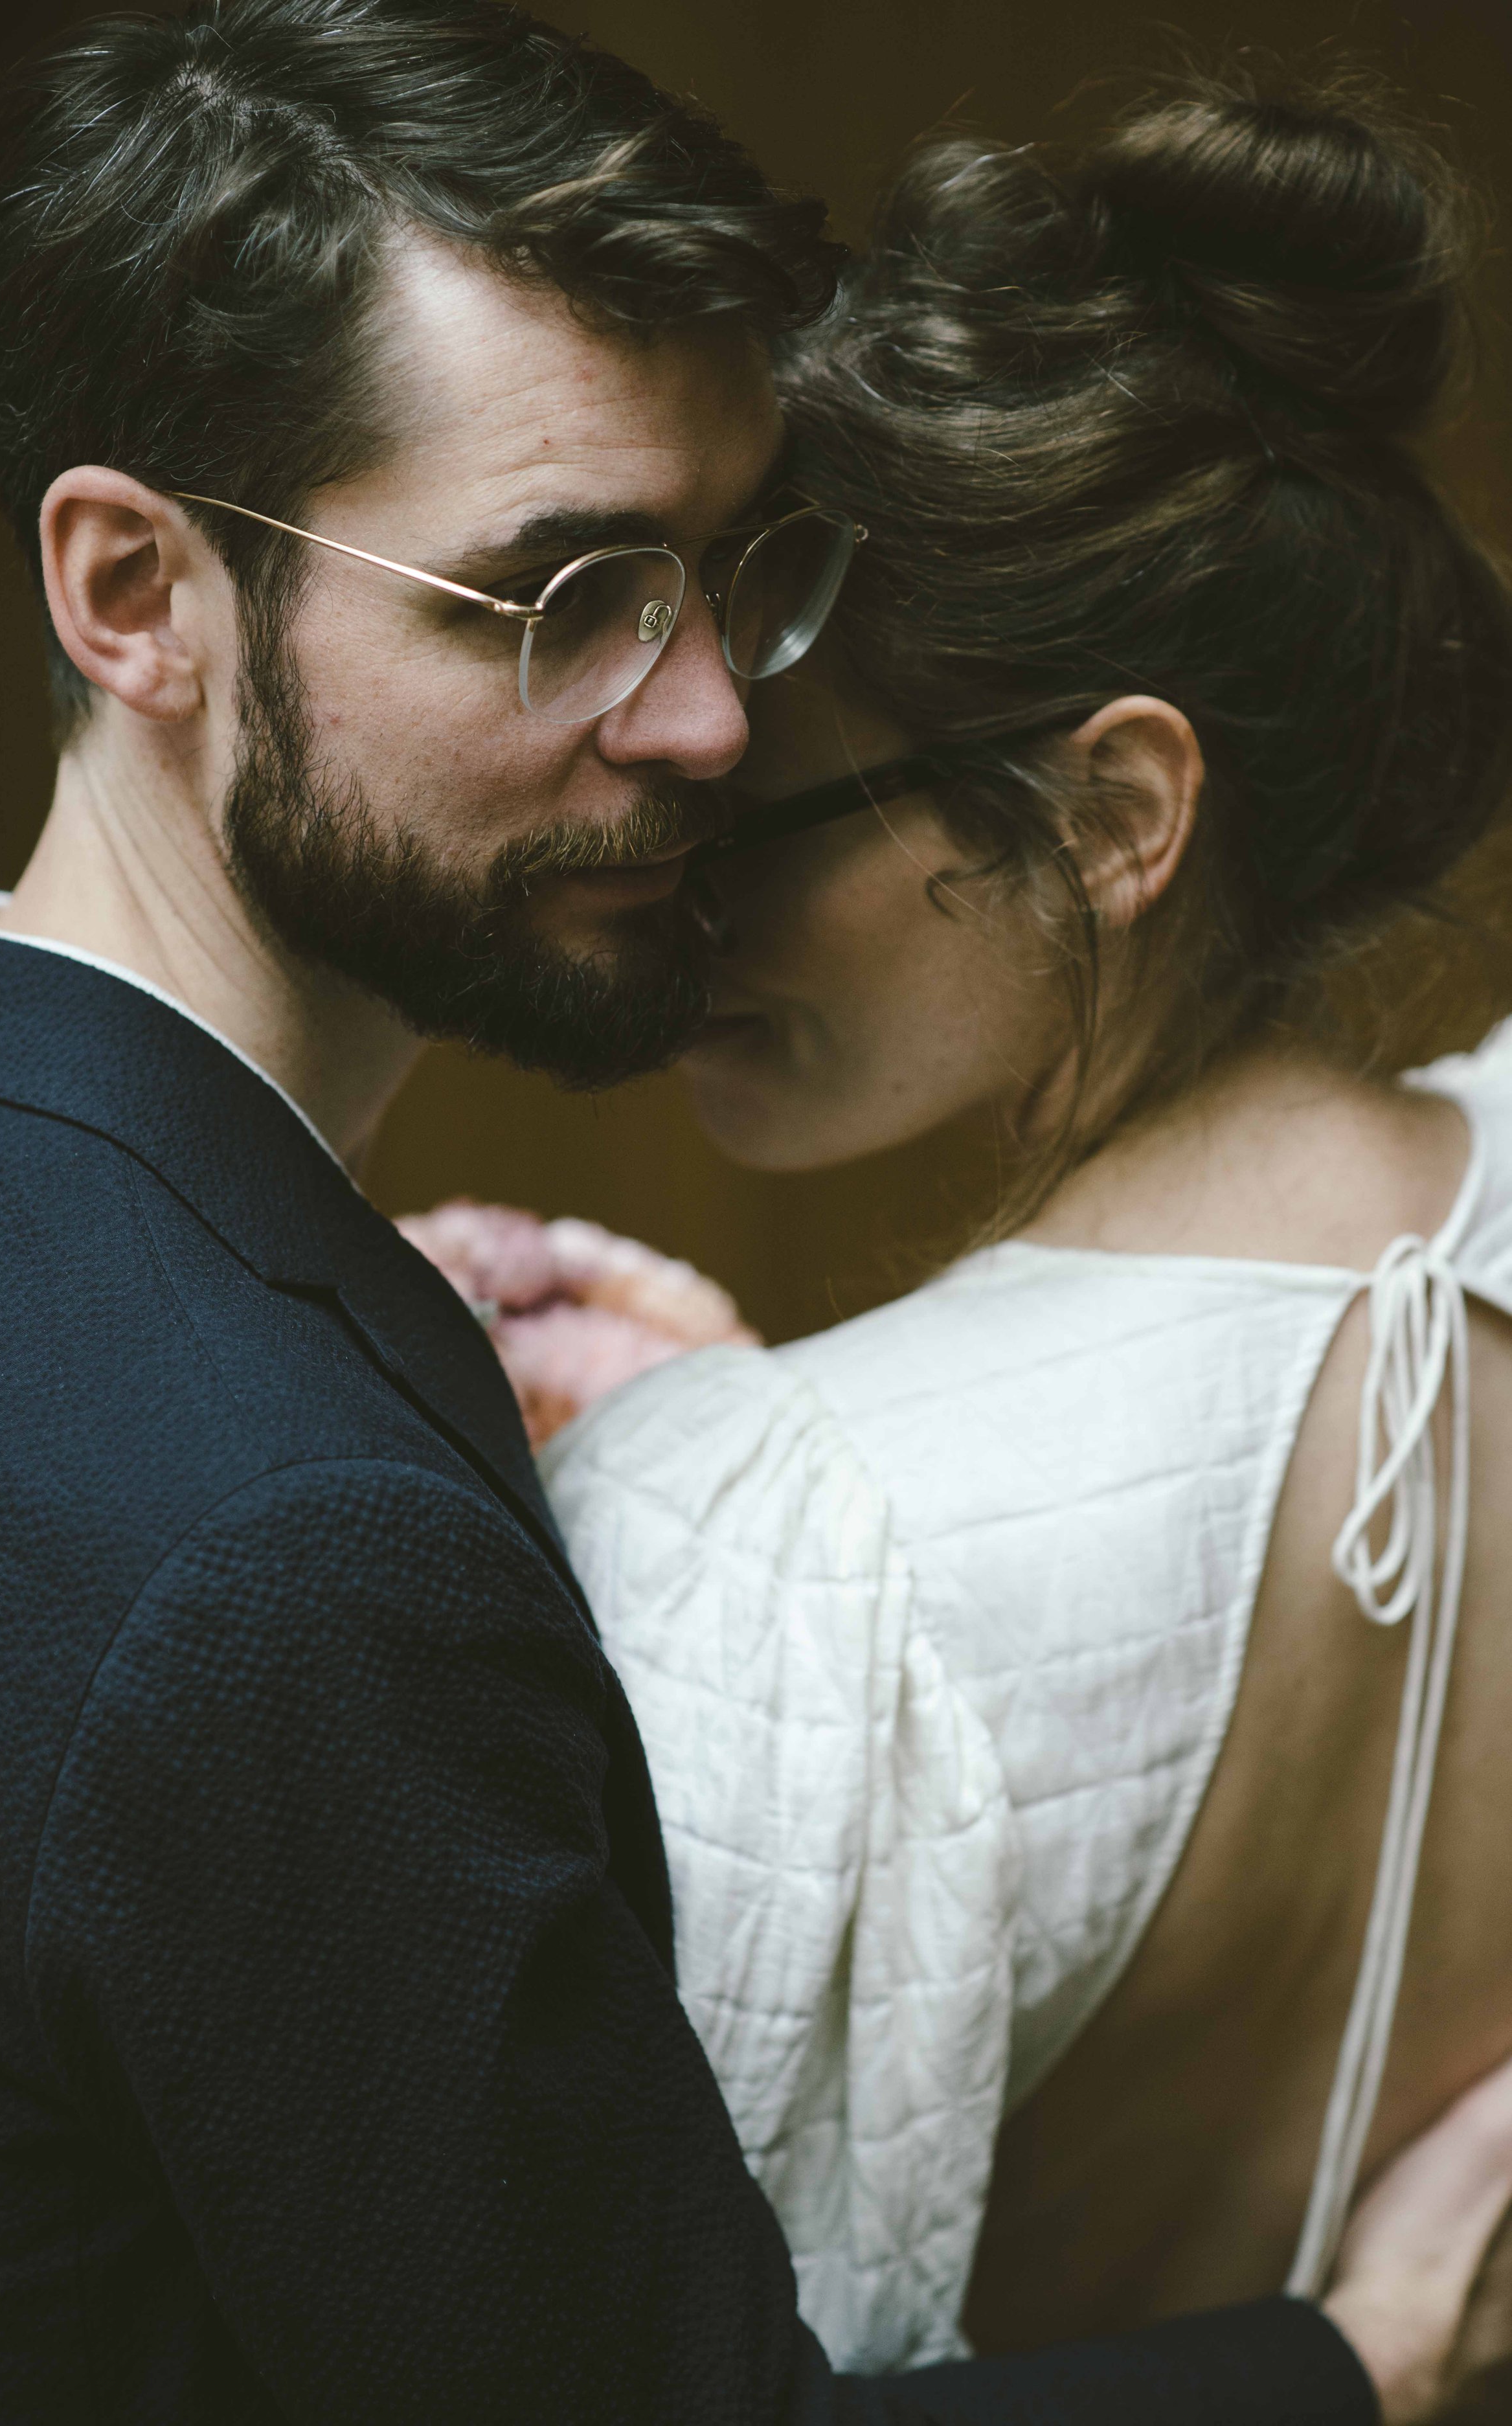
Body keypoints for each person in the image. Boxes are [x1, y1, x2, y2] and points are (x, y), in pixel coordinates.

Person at [0, 5, 1500, 2418]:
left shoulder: (12, 1183)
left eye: (725, 577)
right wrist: (1356, 2359)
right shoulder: (288, 1546)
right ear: (138, 596)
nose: (715, 730)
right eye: (556, 597)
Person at [539, 63, 1512, 2407]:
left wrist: (730, 1505)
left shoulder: (792, 1529)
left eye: (755, 819)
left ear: (1117, 807)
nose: (661, 910)